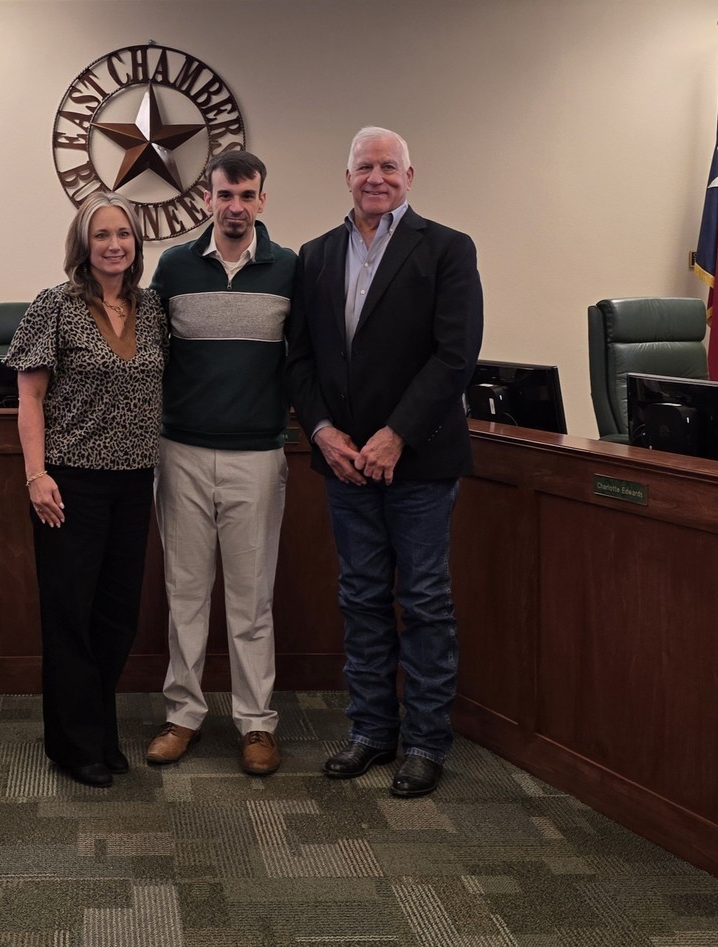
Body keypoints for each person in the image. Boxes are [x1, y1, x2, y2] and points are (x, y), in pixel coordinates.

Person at [286, 127, 483, 798]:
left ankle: (426, 742)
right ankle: (371, 730)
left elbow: (455, 356)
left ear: (410, 176)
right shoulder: (315, 255)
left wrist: (396, 434)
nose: (377, 177)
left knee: (423, 602)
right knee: (361, 599)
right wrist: (322, 432)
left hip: (418, 463)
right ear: (346, 177)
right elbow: (300, 359)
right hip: (345, 466)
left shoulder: (448, 248)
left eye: (389, 167)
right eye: (365, 166)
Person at [4, 191, 167, 788]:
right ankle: (74, 745)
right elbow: (29, 398)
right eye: (102, 235)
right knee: (70, 614)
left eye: (123, 234)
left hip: (135, 482)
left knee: (117, 616)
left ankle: (99, 729)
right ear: (83, 244)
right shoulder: (54, 305)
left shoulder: (152, 308)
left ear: (136, 244)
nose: (114, 244)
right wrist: (36, 474)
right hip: (70, 483)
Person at [145, 150, 296, 776]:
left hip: (257, 455)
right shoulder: (174, 266)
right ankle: (183, 714)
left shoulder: (289, 268)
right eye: (225, 195)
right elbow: (147, 351)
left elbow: (304, 359)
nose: (235, 207)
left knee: (251, 599)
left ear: (262, 200)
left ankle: (256, 722)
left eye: (247, 195)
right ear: (207, 199)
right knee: (184, 593)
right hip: (180, 450)